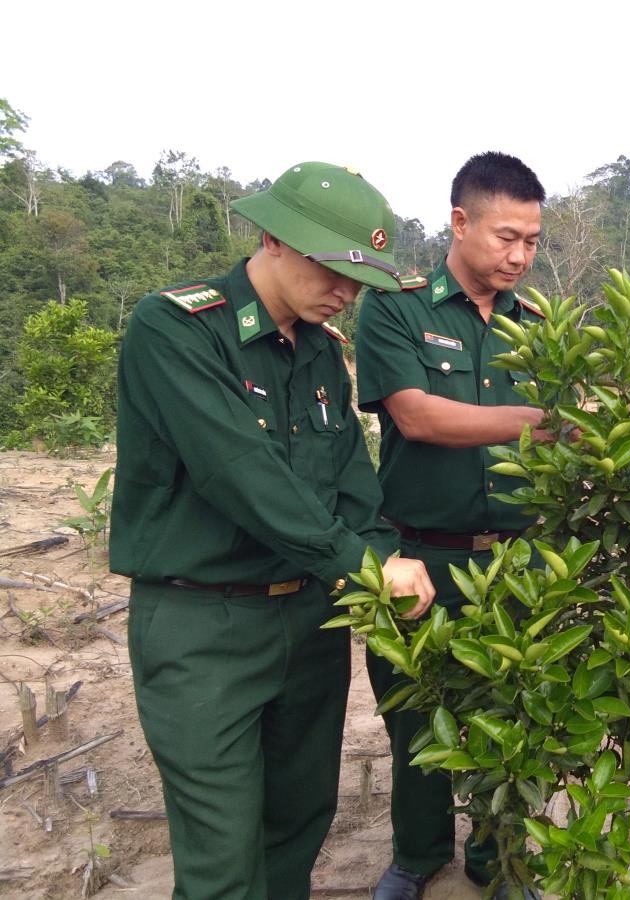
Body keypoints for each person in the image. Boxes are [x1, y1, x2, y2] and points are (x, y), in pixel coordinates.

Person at [110, 161, 436, 900]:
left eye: (361, 280)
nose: (347, 293)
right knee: (223, 856)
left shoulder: (321, 352)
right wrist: (361, 566)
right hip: (205, 627)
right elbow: (241, 474)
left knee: (297, 824)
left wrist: (386, 556)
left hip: (308, 620)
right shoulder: (177, 328)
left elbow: (354, 481)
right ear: (272, 239)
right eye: (334, 270)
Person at [355, 151, 547, 900]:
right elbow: (417, 416)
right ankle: (417, 853)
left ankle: (498, 857)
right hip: (422, 556)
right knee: (417, 714)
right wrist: (544, 421)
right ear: (459, 222)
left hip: (520, 559)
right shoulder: (397, 306)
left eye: (532, 241)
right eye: (506, 237)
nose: (520, 255)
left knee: (514, 711)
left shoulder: (538, 325)